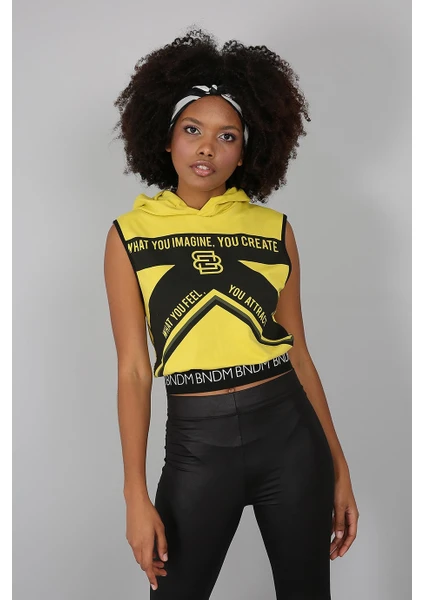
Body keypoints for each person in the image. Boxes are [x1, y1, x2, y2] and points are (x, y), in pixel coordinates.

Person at [104, 27, 359, 600]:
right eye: (192, 130)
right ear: (166, 138)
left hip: (290, 437)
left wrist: (339, 467)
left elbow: (298, 351)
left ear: (245, 153)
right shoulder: (129, 236)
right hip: (197, 446)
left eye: (227, 136)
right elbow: (134, 370)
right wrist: (135, 495)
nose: (206, 148)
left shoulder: (275, 230)